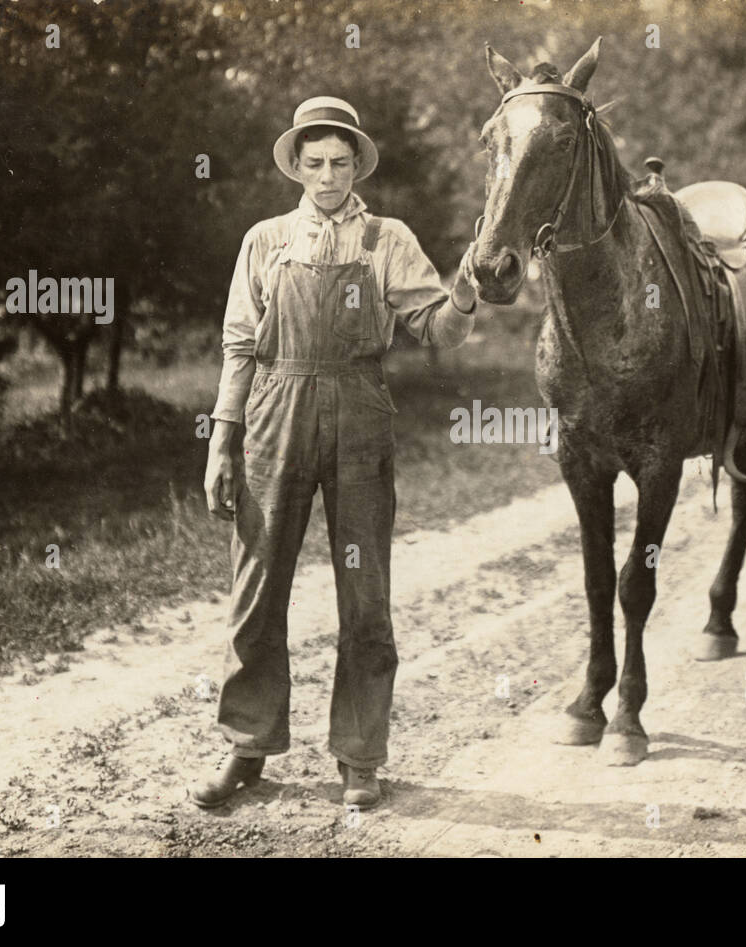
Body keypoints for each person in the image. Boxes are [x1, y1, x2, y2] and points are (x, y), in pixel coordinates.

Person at [191, 95, 479, 810]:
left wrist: (468, 293)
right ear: (296, 166)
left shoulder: (388, 239)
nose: (327, 176)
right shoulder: (264, 240)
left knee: (365, 593)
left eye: (340, 163)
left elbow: (437, 328)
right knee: (257, 590)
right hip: (273, 415)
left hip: (359, 418)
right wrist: (221, 441)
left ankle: (360, 756)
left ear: (357, 165)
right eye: (314, 163)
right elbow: (236, 345)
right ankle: (247, 747)